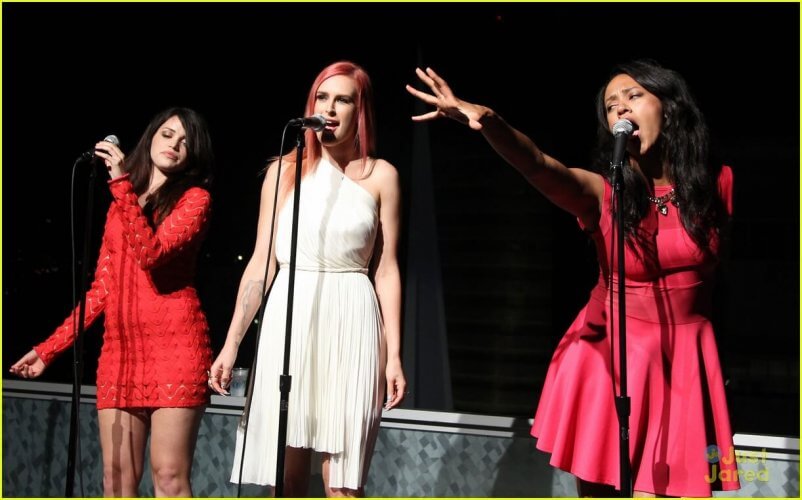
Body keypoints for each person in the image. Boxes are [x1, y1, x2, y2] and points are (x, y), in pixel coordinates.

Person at [406, 61, 739, 497]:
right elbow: (541, 166)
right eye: (610, 105)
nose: (621, 109)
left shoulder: (718, 182)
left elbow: (718, 278)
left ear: (670, 107)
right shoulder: (603, 192)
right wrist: (490, 123)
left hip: (685, 361)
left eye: (633, 96)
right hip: (614, 359)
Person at [209, 60, 406, 497]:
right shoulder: (283, 172)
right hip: (290, 318)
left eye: (343, 99)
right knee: (287, 479)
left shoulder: (381, 176)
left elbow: (387, 269)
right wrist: (231, 344)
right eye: (322, 97)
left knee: (343, 484)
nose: (330, 108)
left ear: (361, 110)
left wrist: (394, 355)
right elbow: (262, 263)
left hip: (353, 319)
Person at [10, 107, 215, 497]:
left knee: (169, 479)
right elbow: (101, 289)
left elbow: (151, 254)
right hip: (120, 352)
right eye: (168, 134)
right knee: (116, 480)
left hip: (176, 348)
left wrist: (120, 183)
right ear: (151, 136)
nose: (175, 145)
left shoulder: (194, 200)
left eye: (186, 142)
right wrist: (47, 350)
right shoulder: (121, 206)